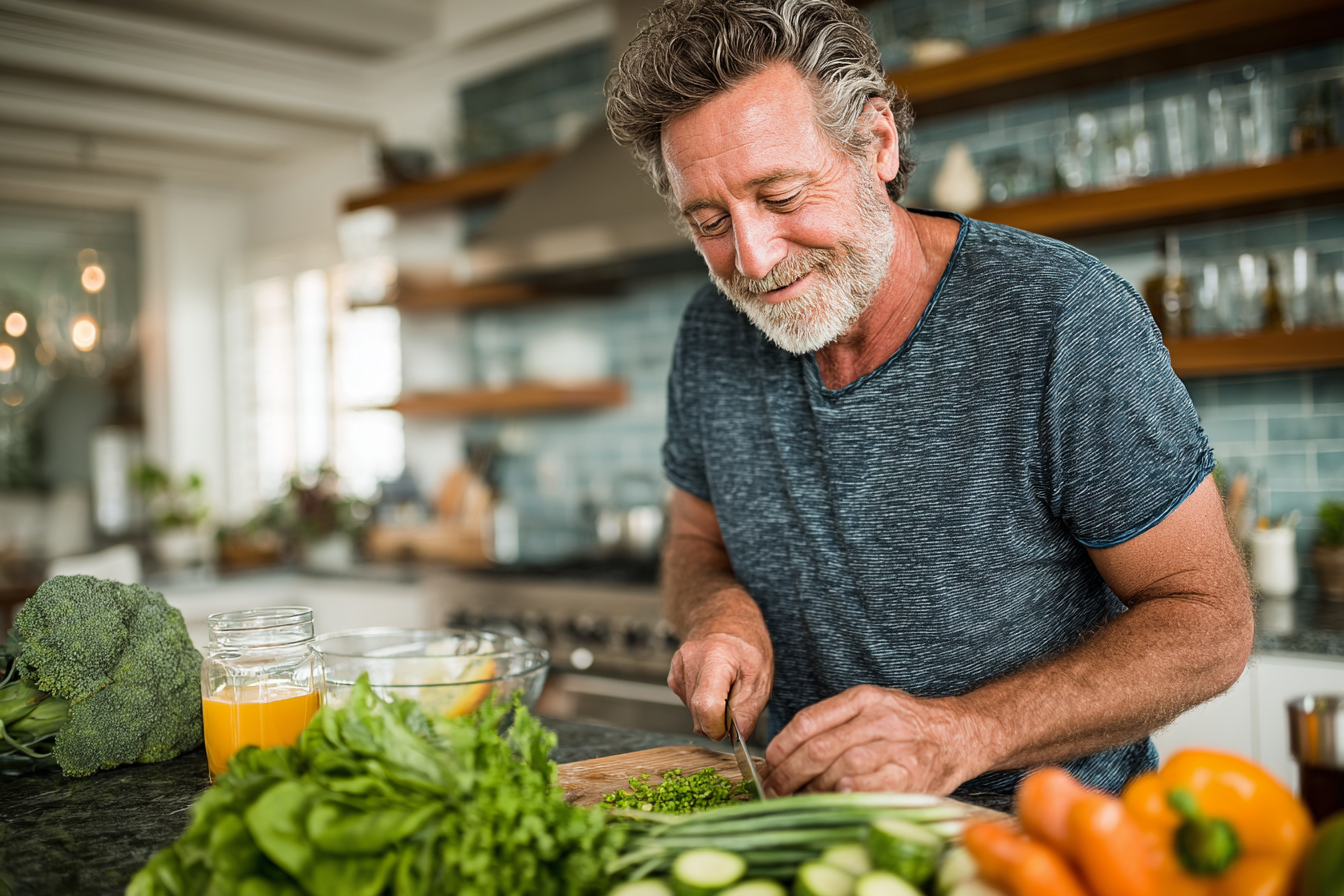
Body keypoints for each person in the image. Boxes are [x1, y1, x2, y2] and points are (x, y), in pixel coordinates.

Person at [605, 0, 1253, 808]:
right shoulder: (712, 333)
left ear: (877, 143)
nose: (754, 258)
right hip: (808, 833)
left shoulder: (1063, 319)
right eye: (709, 221)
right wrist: (718, 610)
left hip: (1047, 842)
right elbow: (693, 541)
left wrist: (962, 732)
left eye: (782, 195)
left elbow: (1209, 620)